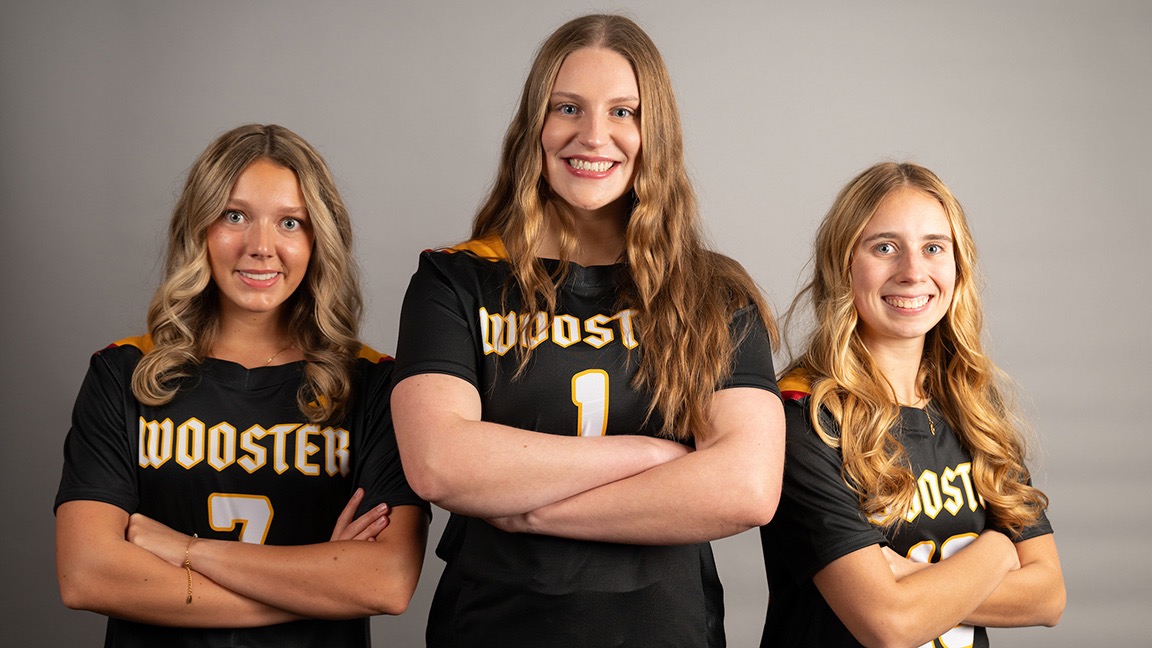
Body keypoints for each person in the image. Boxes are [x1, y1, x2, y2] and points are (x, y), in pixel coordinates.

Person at [389, 13, 785, 648]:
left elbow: (747, 488)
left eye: (623, 112)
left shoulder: (713, 292)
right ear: (534, 126)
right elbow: (439, 463)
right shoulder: (455, 280)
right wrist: (648, 456)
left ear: (655, 132)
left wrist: (532, 510)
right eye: (567, 107)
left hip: (667, 629)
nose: (594, 135)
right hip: (493, 626)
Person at [55, 123, 429, 648]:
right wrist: (318, 587)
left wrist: (187, 550)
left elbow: (385, 582)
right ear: (199, 227)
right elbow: (87, 575)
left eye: (290, 223)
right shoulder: (124, 373)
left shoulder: (375, 385)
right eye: (234, 216)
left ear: (319, 239)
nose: (260, 247)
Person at [760, 162, 1065, 647]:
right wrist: (999, 550)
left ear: (958, 266)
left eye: (933, 248)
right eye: (884, 247)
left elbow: (1048, 596)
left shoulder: (969, 403)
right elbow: (889, 623)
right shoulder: (801, 416)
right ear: (842, 263)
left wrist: (907, 577)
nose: (912, 272)